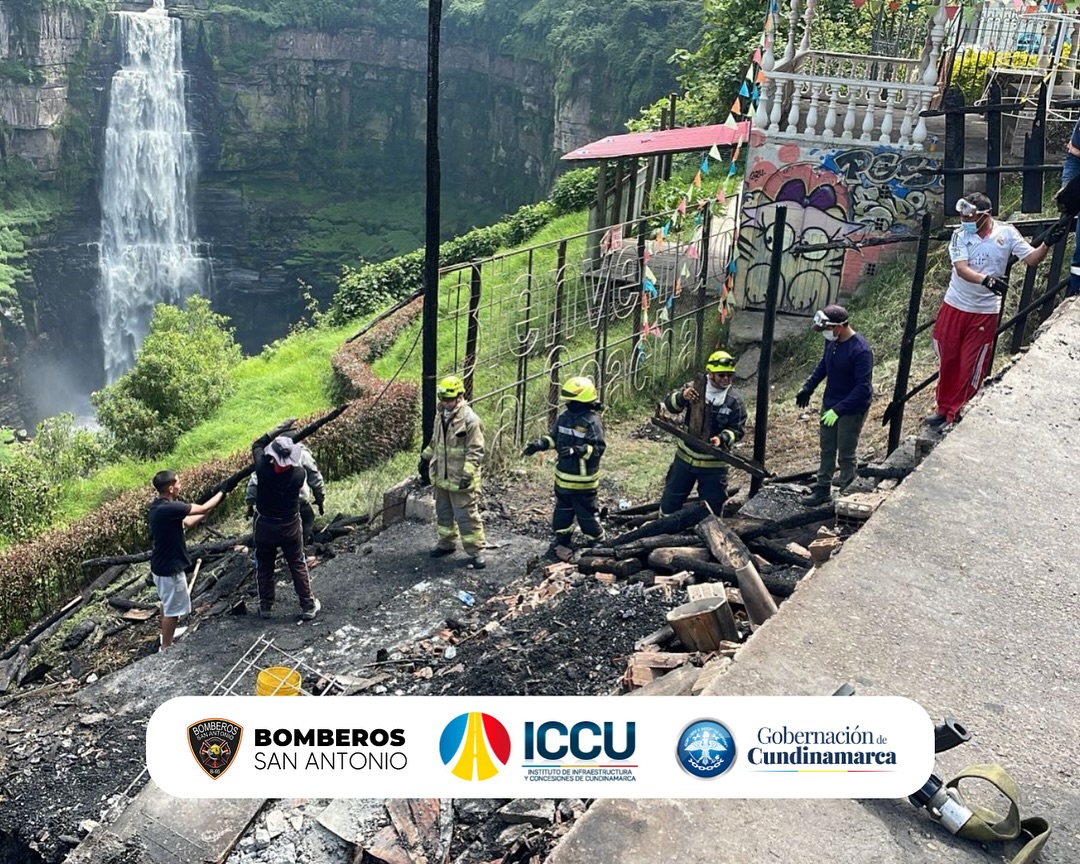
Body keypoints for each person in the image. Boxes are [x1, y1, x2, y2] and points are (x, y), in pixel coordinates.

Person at [927, 193, 1061, 428]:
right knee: (948, 358)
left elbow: (1031, 259)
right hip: (956, 304)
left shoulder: (1006, 233)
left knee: (971, 364)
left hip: (984, 311)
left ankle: (957, 412)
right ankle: (943, 407)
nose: (964, 219)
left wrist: (1047, 243)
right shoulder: (960, 236)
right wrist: (985, 280)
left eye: (969, 215)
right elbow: (961, 269)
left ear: (984, 216)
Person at [795, 305, 874, 506]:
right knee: (827, 448)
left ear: (838, 327)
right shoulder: (833, 342)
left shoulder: (860, 350)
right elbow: (824, 364)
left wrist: (838, 410)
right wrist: (808, 387)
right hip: (830, 403)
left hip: (851, 409)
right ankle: (823, 489)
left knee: (846, 453)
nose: (824, 334)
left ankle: (848, 495)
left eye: (826, 329)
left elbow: (863, 388)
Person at [522, 376, 607, 556]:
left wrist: (577, 450)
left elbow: (598, 448)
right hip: (563, 479)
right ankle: (562, 538)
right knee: (562, 513)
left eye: (572, 401)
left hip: (583, 482)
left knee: (587, 514)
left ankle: (596, 540)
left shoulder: (592, 421)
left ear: (582, 402)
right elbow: (555, 439)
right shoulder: (564, 418)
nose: (569, 404)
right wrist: (539, 445)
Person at [658, 350, 746, 517]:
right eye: (721, 375)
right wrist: (683, 397)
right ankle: (661, 530)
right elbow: (671, 406)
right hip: (684, 459)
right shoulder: (695, 388)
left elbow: (737, 430)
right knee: (671, 500)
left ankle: (708, 536)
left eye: (729, 376)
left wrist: (722, 438)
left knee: (712, 507)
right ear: (710, 374)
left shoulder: (734, 402)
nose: (726, 379)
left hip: (713, 465)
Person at [148, 470, 227, 649]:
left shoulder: (159, 506)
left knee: (167, 603)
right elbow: (204, 508)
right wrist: (222, 492)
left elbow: (190, 522)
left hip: (160, 565)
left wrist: (212, 504)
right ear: (170, 488)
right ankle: (166, 646)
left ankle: (166, 635)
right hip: (169, 568)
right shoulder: (170, 508)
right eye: (178, 483)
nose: (180, 486)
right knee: (173, 610)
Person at [252, 419, 321, 621]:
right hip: (290, 525)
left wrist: (279, 428)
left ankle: (266, 606)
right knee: (297, 563)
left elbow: (256, 445)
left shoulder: (263, 470)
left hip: (264, 525)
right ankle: (308, 605)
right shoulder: (298, 474)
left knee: (264, 564)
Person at [418, 375, 488, 568]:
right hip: (442, 477)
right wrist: (425, 458)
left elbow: (476, 450)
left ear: (459, 396)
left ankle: (476, 551)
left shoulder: (470, 420)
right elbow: (436, 442)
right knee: (443, 514)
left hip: (461, 478)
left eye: (449, 399)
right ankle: (446, 544)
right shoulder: (440, 415)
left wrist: (467, 474)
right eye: (443, 399)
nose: (446, 403)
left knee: (466, 516)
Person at [245, 437, 325, 545]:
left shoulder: (266, 459)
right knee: (304, 525)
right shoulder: (302, 454)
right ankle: (303, 550)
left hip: (270, 510)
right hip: (298, 506)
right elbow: (314, 476)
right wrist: (319, 497)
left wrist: (250, 505)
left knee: (264, 537)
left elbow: (254, 483)